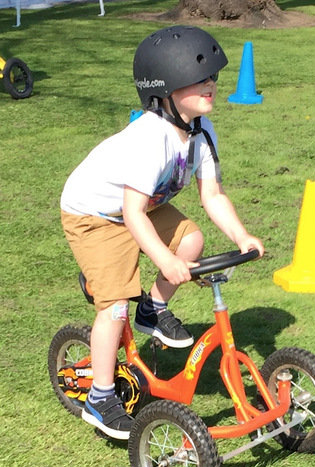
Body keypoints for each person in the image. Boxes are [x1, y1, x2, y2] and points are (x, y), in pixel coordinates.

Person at [60, 26, 264, 440]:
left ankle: (152, 308)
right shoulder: (149, 140)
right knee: (114, 307)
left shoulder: (202, 133)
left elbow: (213, 195)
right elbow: (131, 215)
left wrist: (243, 236)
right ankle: (100, 398)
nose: (211, 85)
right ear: (166, 87)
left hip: (141, 207)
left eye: (213, 77)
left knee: (192, 240)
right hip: (96, 213)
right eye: (200, 78)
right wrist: (165, 262)